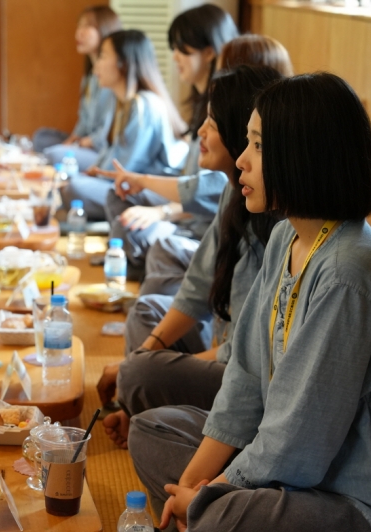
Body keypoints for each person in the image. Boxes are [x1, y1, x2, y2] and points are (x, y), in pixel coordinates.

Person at [131, 72, 371, 532]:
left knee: (230, 515)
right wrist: (194, 483)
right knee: (151, 431)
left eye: (259, 146)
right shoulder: (288, 236)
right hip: (296, 472)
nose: (241, 161)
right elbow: (244, 378)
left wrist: (210, 496)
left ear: (304, 155)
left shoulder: (349, 273)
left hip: (358, 498)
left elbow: (298, 443)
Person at [97, 65, 283, 450]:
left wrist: (145, 370)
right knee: (148, 314)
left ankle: (150, 415)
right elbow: (197, 289)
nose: (199, 131)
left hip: (246, 374)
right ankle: (145, 411)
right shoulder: (235, 194)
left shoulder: (281, 229)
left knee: (142, 377)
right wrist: (148, 357)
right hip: (226, 346)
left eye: (211, 122)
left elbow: (248, 355)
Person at [99, 33, 287, 285]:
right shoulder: (230, 184)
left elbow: (196, 192)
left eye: (226, 66)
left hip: (192, 229)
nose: (218, 72)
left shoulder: (249, 181)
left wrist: (160, 209)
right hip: (190, 225)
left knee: (161, 249)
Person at [60, 29, 185, 221]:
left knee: (74, 188)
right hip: (128, 182)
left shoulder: (144, 105)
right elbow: (113, 152)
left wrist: (89, 177)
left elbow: (128, 167)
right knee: (69, 183)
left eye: (103, 56)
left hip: (150, 190)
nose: (96, 66)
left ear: (123, 62)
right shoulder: (123, 102)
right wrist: (94, 170)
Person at [32, 5, 122, 170]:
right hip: (85, 143)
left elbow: (106, 134)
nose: (79, 32)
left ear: (104, 29)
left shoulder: (112, 79)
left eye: (87, 26)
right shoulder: (89, 78)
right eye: (79, 26)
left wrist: (79, 144)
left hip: (100, 149)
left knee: (55, 154)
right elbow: (83, 123)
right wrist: (72, 141)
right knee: (41, 137)